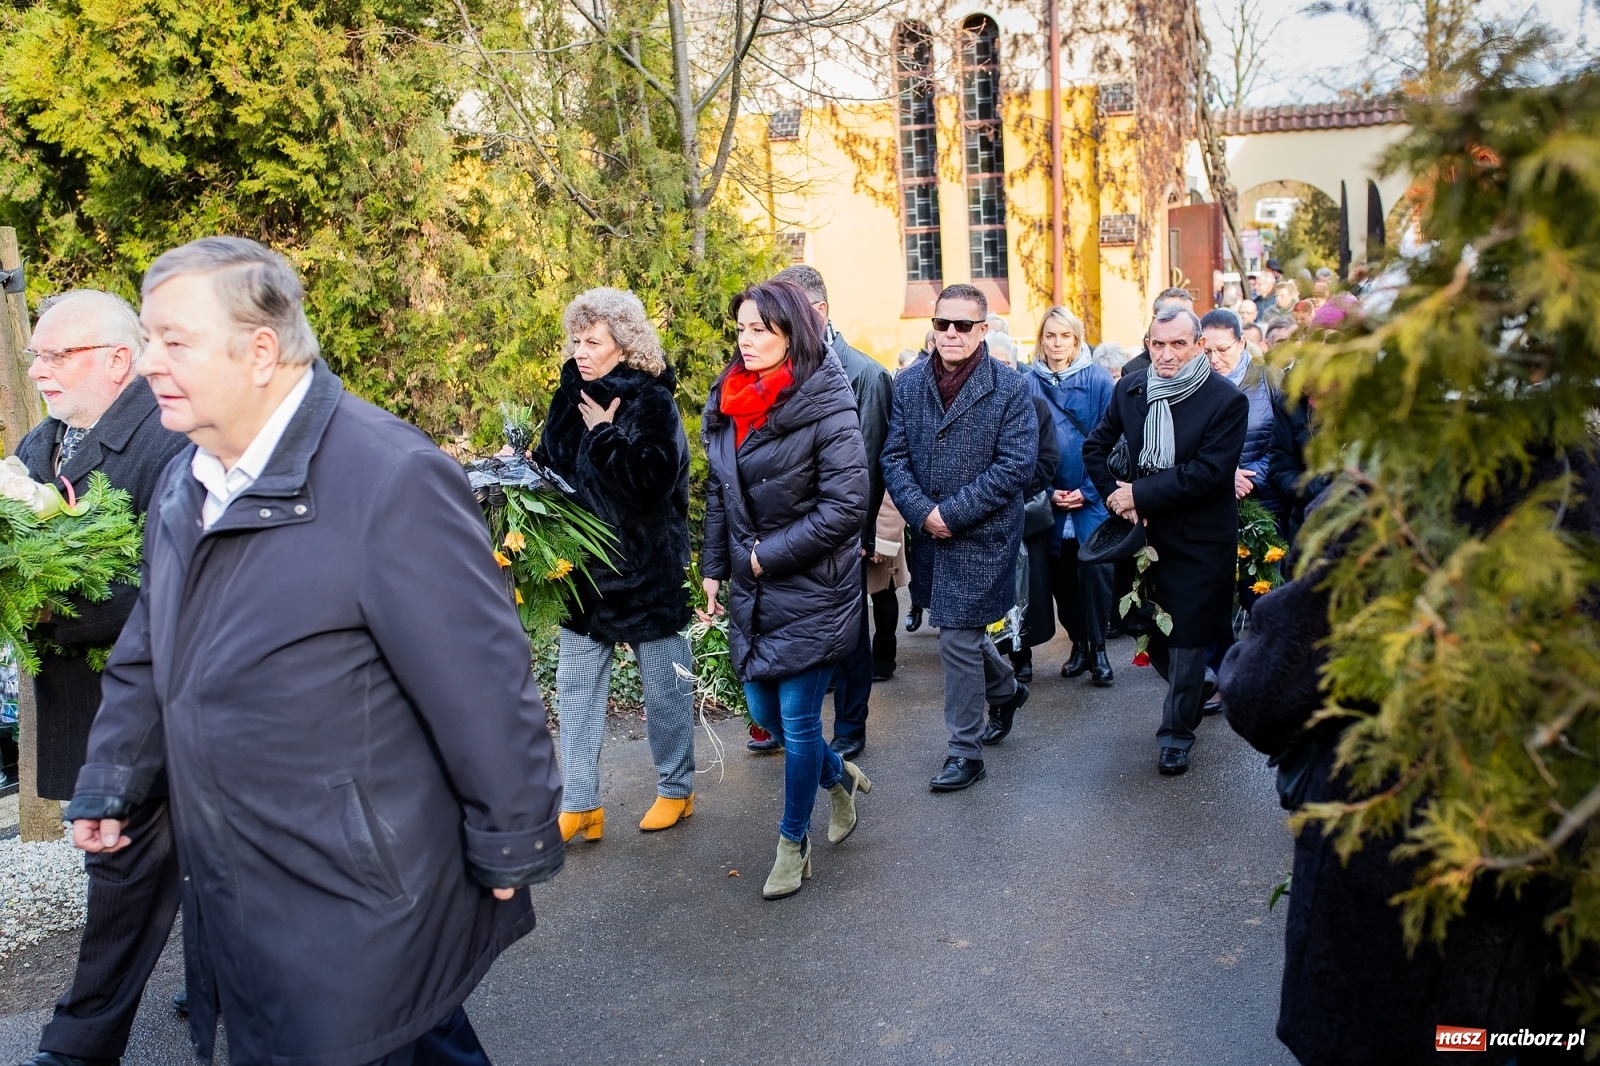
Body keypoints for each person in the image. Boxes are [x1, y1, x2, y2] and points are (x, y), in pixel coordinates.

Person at [65, 237, 565, 1065]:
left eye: (173, 340)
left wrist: (512, 837)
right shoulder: (189, 481)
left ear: (261, 350)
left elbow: (483, 684)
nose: (149, 362)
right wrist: (113, 779)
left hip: (359, 892)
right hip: (244, 884)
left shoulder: (387, 477)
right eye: (149, 339)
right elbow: (151, 653)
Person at [1220, 449, 1595, 1065]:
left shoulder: (1395, 491)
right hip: (1556, 870)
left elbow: (1266, 690)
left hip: (1401, 875)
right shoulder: (1582, 474)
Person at [15, 290, 189, 1066]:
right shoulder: (39, 444)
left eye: (59, 355)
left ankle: (76, 1047)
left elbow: (174, 582)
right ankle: (221, 989)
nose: (40, 370)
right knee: (173, 869)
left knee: (128, 874)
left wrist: (53, 610)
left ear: (119, 360)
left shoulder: (169, 441)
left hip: (154, 705)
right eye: (36, 355)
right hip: (91, 703)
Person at [698, 279, 870, 900]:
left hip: (815, 590)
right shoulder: (727, 399)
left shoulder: (828, 401)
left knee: (796, 724)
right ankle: (839, 777)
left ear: (792, 334)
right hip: (752, 588)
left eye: (760, 331)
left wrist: (766, 558)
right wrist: (714, 568)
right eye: (740, 329)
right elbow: (721, 494)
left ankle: (791, 844)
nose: (745, 342)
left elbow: (848, 504)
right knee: (764, 714)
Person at [531, 288, 696, 840]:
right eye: (576, 339)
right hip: (582, 575)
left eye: (593, 341)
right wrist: (523, 470)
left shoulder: (652, 402)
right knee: (575, 690)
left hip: (647, 572)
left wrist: (603, 433)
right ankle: (581, 804)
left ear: (623, 346)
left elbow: (651, 483)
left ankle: (677, 789)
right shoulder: (567, 395)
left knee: (665, 689)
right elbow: (552, 464)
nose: (580, 350)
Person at [881, 284, 1036, 791]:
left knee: (956, 635)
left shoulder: (1011, 387)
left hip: (984, 535)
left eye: (963, 325)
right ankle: (1006, 688)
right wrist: (925, 513)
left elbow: (1015, 466)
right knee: (960, 633)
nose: (950, 333)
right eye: (942, 323)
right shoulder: (907, 384)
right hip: (930, 531)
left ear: (983, 329)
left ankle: (964, 751)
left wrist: (954, 512)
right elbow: (892, 458)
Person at [1083, 307, 1247, 776]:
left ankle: (1176, 735)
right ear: (1147, 344)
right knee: (1144, 625)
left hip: (1200, 538)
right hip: (1143, 535)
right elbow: (1096, 447)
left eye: (1178, 344)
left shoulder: (1225, 399)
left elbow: (1210, 474)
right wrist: (1119, 499)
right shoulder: (1131, 389)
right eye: (1159, 344)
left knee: (1189, 638)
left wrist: (1141, 492)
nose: (1167, 354)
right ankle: (1196, 688)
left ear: (1197, 345)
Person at [772, 265, 891, 762]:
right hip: (785, 530)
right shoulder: (776, 367)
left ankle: (850, 725)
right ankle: (791, 724)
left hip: (840, 530)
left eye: (790, 311)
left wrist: (859, 533)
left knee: (847, 632)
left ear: (819, 311)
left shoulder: (862, 373)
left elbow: (867, 461)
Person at [1028, 306, 1116, 687]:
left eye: (1065, 335)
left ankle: (1099, 647)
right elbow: (1023, 445)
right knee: (1061, 579)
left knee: (1095, 572)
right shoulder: (1027, 381)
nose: (1057, 343)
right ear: (1041, 339)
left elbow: (1114, 440)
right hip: (1050, 495)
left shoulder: (1098, 380)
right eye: (1050, 335)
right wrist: (1048, 492)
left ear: (1077, 339)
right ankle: (1078, 642)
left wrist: (1089, 490)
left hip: (1090, 496)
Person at [987, 332, 1059, 688]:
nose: (1001, 369)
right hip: (982, 516)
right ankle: (991, 656)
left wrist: (1009, 492)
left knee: (1026, 587)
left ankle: (1022, 653)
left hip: (1023, 512)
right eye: (994, 363)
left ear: (1017, 367)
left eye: (1007, 364)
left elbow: (1047, 461)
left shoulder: (1035, 405)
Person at [866, 493, 908, 681]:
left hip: (879, 527)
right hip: (851, 526)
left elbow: (891, 495)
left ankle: (883, 660)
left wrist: (885, 537)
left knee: (883, 592)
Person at [1121, 287, 1196, 378]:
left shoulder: (1209, 359)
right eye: (1172, 316)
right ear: (1154, 320)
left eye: (1189, 317)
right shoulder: (1133, 372)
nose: (1168, 356)